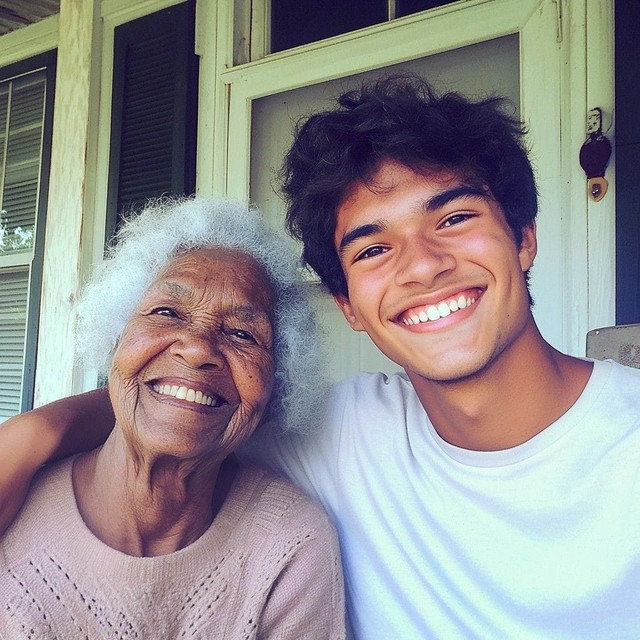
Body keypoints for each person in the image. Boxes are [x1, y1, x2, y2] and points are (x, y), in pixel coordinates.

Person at [2, 77, 640, 638]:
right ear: (349, 307)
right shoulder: (342, 432)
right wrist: (30, 435)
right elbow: (179, 402)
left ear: (524, 238)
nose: (421, 265)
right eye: (372, 250)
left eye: (453, 218)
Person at [0, 198, 345, 639]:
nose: (198, 348)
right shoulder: (13, 500)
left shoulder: (290, 545)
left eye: (243, 334)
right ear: (117, 340)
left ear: (277, 383)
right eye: (167, 313)